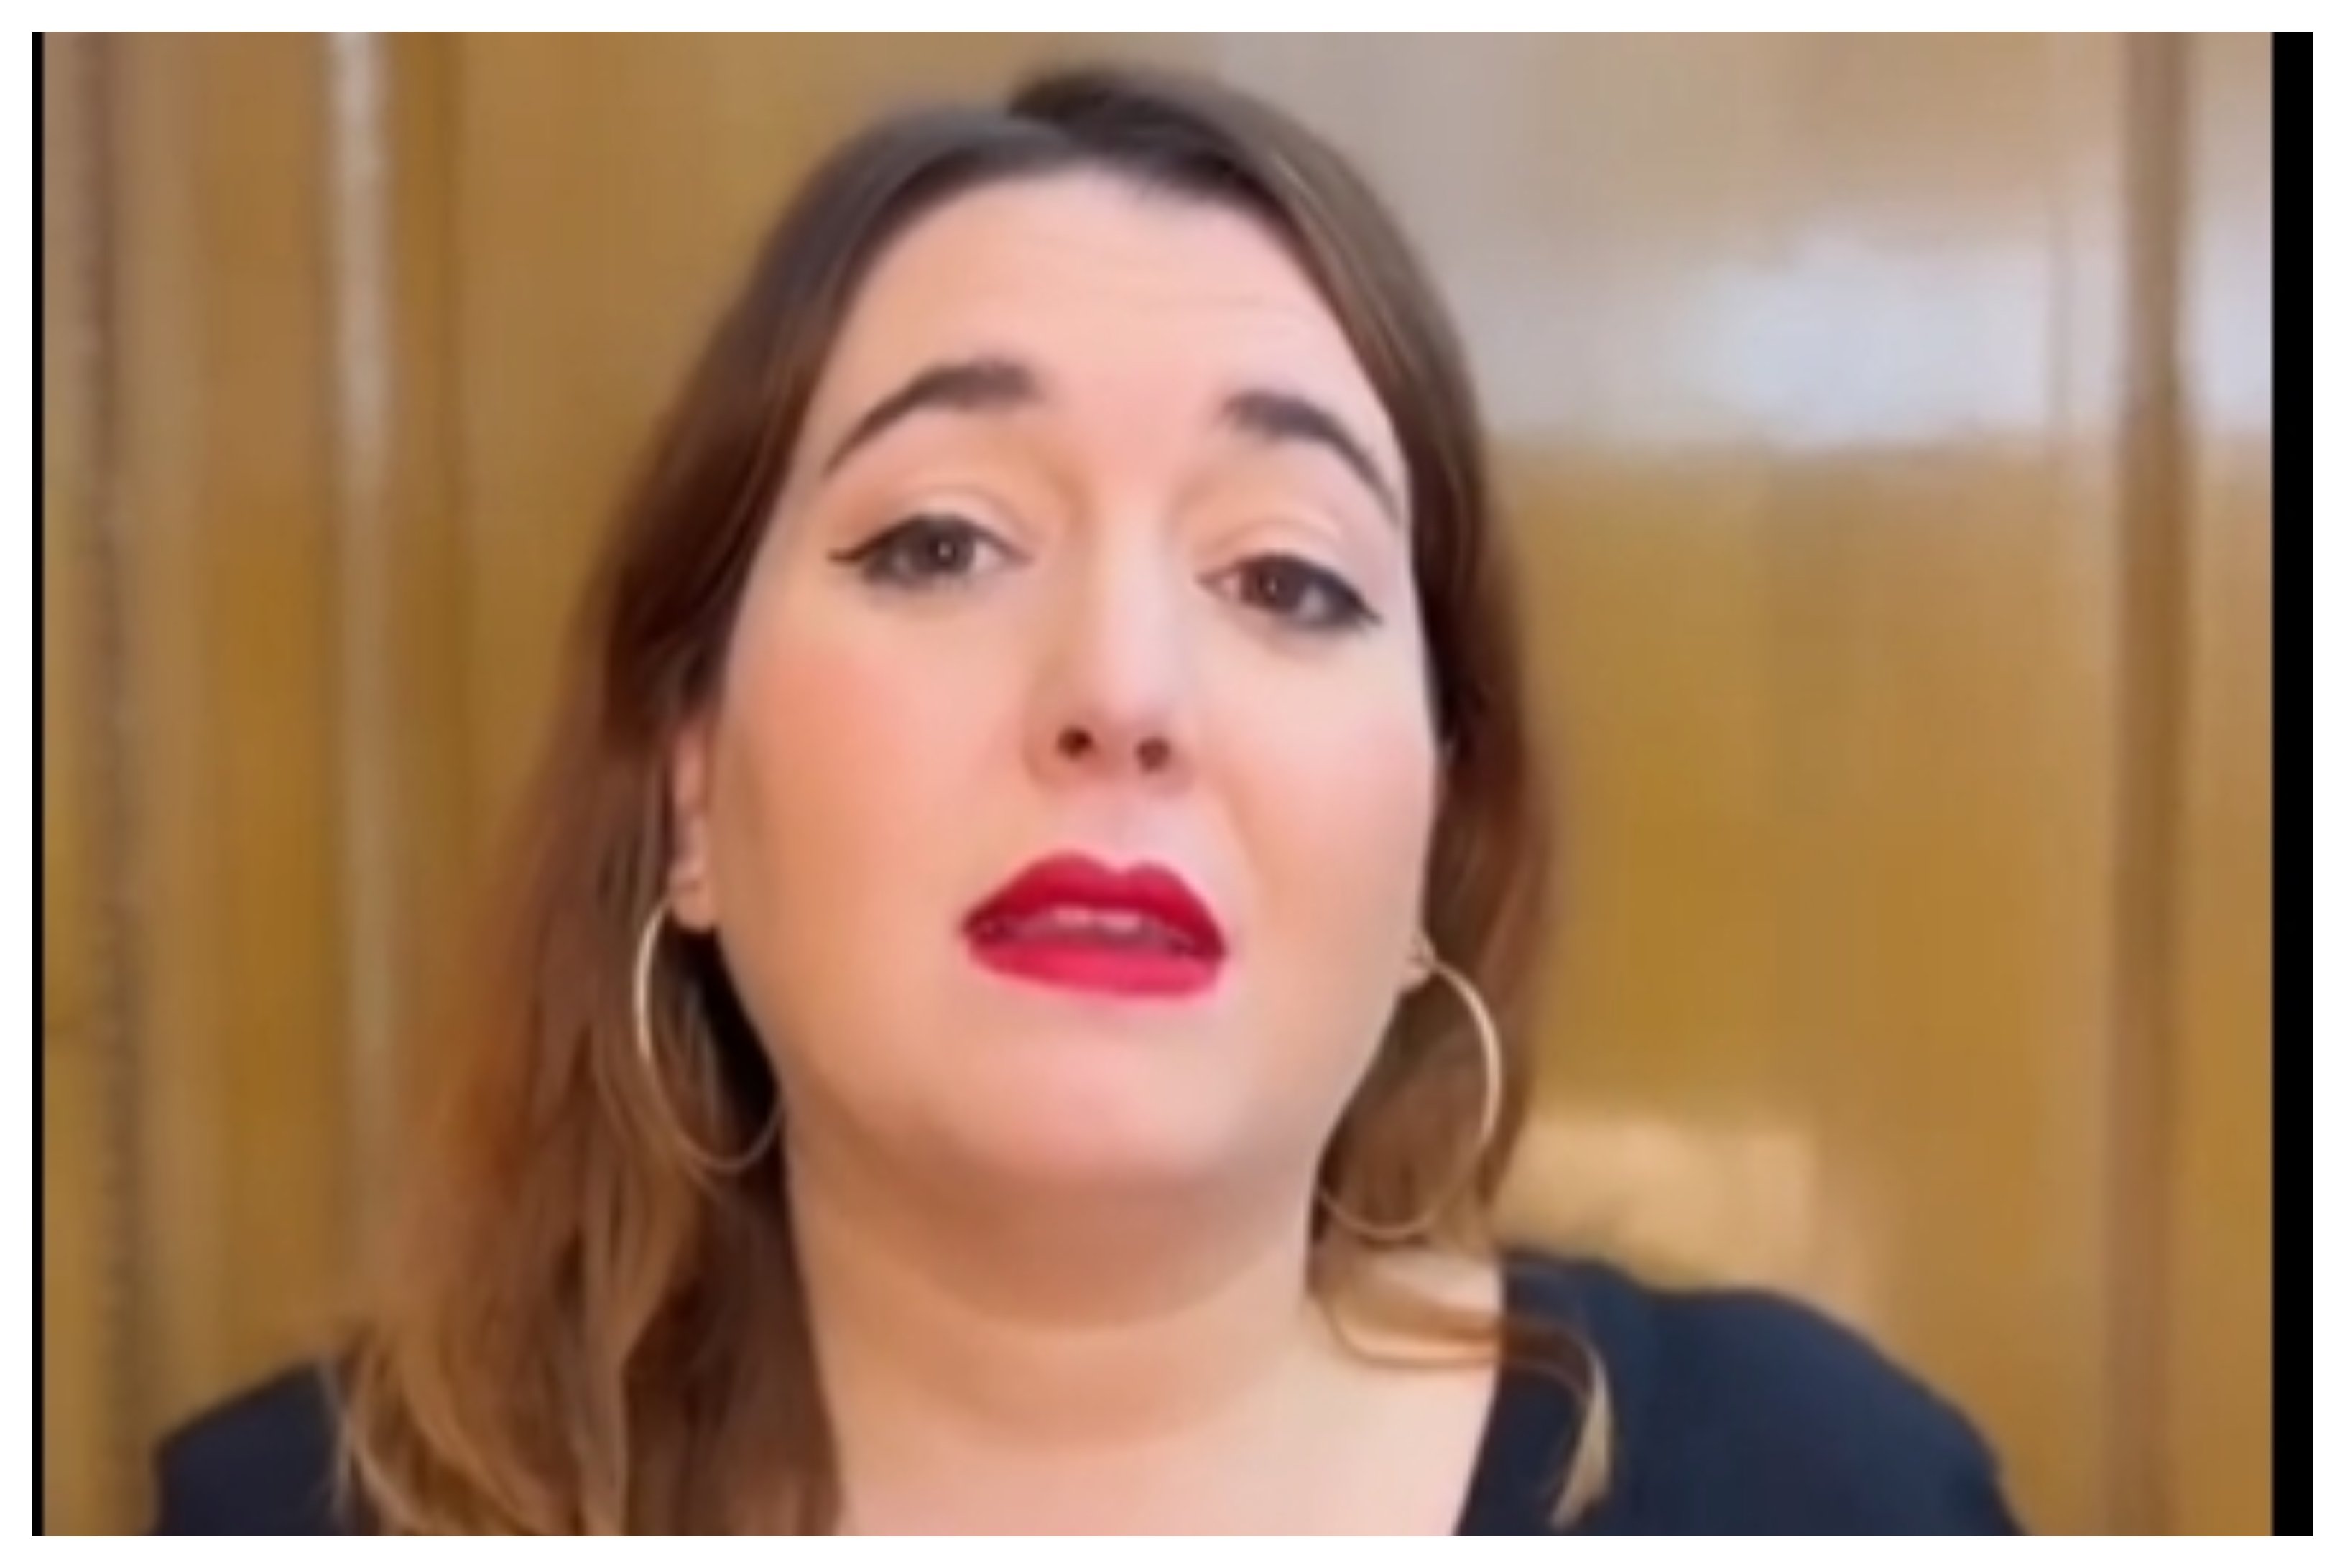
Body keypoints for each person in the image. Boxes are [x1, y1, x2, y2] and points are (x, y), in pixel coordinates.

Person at [151, 63, 2022, 1535]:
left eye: (1286, 576)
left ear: (1436, 846)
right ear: (694, 783)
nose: (1122, 694)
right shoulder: (278, 1521)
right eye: (943, 542)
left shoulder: (1828, 1499)